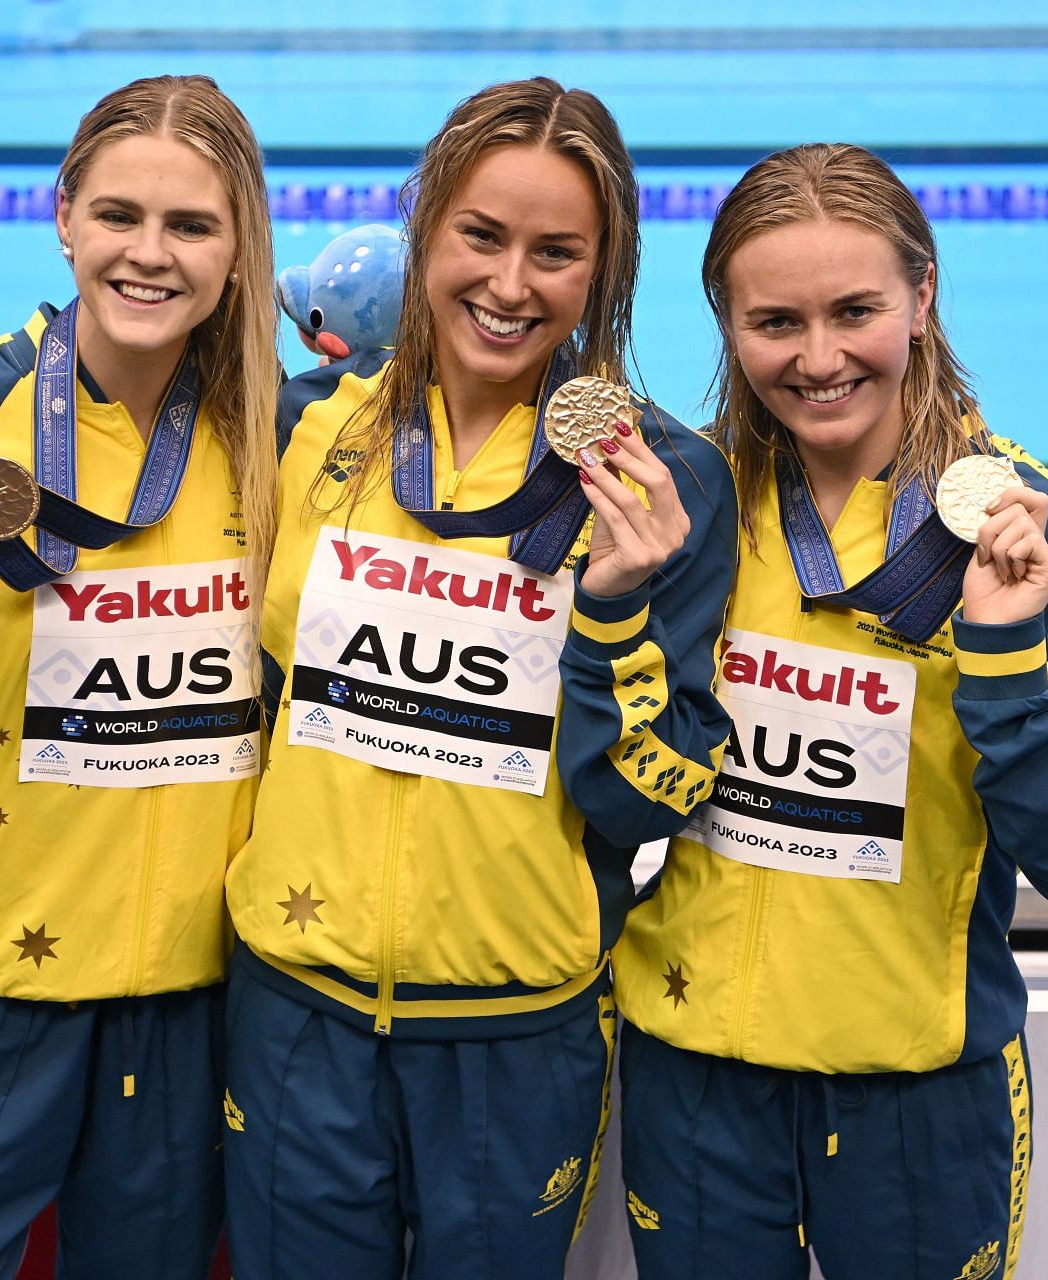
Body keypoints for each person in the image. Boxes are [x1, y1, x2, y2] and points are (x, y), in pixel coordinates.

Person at [597, 143, 1048, 1280]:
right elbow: (612, 784)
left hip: (921, 1090)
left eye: (855, 309)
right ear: (726, 322)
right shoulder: (692, 508)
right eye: (775, 322)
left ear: (922, 293)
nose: (819, 359)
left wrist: (1006, 660)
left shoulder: (1030, 525)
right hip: (696, 1073)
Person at [222, 77, 736, 1279]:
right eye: (481, 237)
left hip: (517, 1028)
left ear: (603, 273)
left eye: (556, 253)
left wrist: (610, 612)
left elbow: (650, 796)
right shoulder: (307, 427)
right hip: (294, 1004)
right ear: (423, 232)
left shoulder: (664, 481)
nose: (511, 286)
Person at [0, 74, 278, 1279]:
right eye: (119, 216)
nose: (149, 255)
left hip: (191, 1001)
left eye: (191, 225)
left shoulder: (285, 438)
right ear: (63, 216)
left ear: (240, 248)